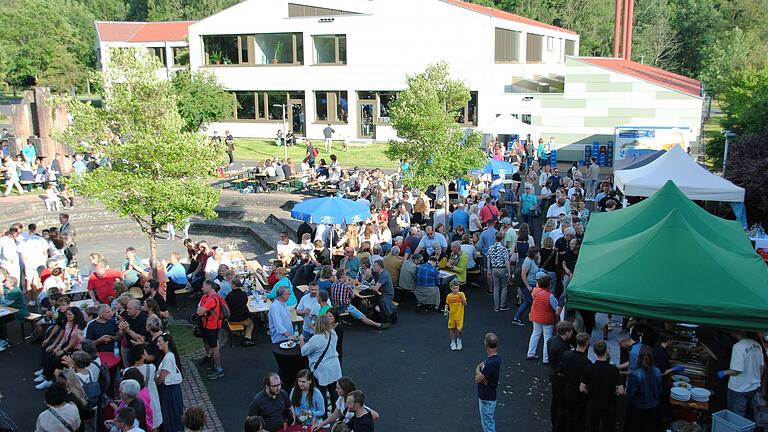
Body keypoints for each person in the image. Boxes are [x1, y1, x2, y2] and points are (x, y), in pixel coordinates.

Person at [717, 330, 765, 418]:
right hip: (754, 387)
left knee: (736, 417)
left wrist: (724, 372)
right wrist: (757, 380)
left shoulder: (738, 346)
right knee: (750, 415)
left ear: (738, 331)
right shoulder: (757, 345)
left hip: (739, 388)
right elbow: (762, 367)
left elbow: (736, 370)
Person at [580, 340, 624, 432]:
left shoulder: (589, 368)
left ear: (595, 352)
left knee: (592, 427)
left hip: (593, 403)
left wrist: (590, 392)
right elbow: (621, 390)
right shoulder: (613, 370)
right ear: (606, 351)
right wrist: (614, 392)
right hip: (609, 404)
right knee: (608, 427)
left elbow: (582, 388)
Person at [624, 345, 662, 432]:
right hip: (653, 407)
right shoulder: (657, 371)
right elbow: (660, 389)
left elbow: (631, 393)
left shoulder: (636, 373)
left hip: (638, 407)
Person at [559, 332, 591, 432]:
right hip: (579, 392)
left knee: (569, 414)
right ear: (586, 343)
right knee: (580, 417)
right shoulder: (587, 362)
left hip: (568, 388)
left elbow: (561, 371)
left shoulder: (567, 354)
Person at [547, 321, 573, 432]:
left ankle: (554, 423)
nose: (571, 333)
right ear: (566, 332)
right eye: (571, 331)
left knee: (555, 401)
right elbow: (565, 365)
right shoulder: (562, 348)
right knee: (562, 405)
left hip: (554, 374)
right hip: (560, 378)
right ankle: (558, 427)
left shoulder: (552, 340)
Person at [527, 274, 558, 363]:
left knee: (535, 334)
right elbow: (555, 307)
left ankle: (531, 353)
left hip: (536, 316)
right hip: (547, 319)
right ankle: (546, 358)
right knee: (547, 337)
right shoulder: (549, 296)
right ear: (548, 285)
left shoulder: (535, 292)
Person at [156, 333, 184, 432]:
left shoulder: (168, 357)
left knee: (170, 412)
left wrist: (155, 384)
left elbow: (162, 376)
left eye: (159, 341)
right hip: (169, 389)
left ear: (166, 342)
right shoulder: (169, 356)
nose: (157, 343)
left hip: (168, 390)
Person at [476, 333, 501, 432]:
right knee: (488, 423)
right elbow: (480, 378)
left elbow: (477, 378)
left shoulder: (491, 363)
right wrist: (482, 375)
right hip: (489, 396)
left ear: (486, 344)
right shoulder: (496, 358)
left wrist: (478, 369)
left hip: (487, 398)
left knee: (488, 425)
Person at [513, 247, 540, 326]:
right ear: (534, 253)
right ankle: (516, 318)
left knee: (527, 302)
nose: (538, 254)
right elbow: (523, 274)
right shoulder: (528, 261)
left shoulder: (531, 260)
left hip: (531, 284)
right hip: (529, 284)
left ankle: (517, 318)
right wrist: (528, 286)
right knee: (529, 302)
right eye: (537, 253)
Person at [486, 231, 511, 312]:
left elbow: (488, 260)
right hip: (503, 269)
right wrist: (509, 271)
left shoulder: (490, 248)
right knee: (504, 287)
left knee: (496, 288)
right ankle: (502, 305)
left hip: (494, 269)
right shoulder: (504, 249)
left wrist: (489, 270)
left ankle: (496, 307)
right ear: (502, 238)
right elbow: (506, 261)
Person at [444, 279, 467, 351]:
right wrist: (446, 309)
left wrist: (461, 297)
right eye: (454, 288)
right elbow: (447, 304)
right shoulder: (449, 296)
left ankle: (459, 340)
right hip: (452, 316)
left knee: (459, 330)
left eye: (457, 288)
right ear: (451, 288)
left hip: (459, 316)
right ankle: (452, 342)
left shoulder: (462, 294)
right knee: (451, 329)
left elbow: (465, 304)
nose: (456, 289)